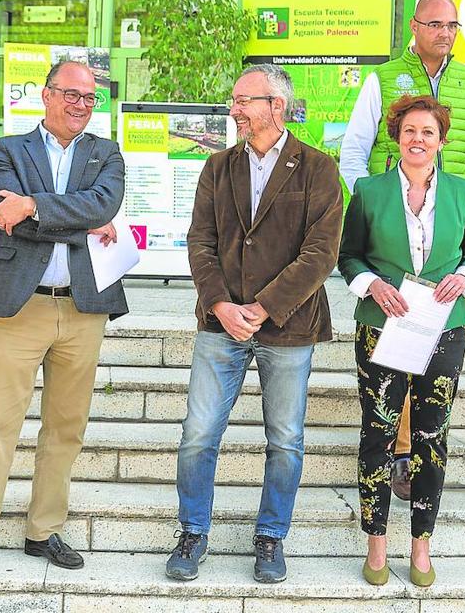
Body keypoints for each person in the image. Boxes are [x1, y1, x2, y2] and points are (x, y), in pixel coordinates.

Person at [0, 60, 127, 572]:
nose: (81, 104)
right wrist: (81, 222)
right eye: (71, 94)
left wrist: (37, 208)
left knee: (66, 427)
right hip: (21, 303)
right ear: (45, 95)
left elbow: (102, 204)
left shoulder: (106, 153)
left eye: (90, 98)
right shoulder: (7, 149)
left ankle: (45, 532)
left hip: (84, 307)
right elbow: (9, 219)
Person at [166, 64, 343, 585]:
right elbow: (200, 243)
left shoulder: (317, 168)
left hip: (286, 328)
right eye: (235, 100)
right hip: (220, 325)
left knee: (285, 440)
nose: (235, 110)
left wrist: (262, 308)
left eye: (245, 101)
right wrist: (221, 305)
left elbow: (320, 253)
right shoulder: (217, 167)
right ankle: (193, 532)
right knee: (198, 434)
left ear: (277, 107)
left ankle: (271, 538)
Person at [338, 0, 465, 500]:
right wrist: (375, 206)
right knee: (395, 342)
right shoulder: (382, 79)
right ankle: (401, 453)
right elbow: (354, 153)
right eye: (435, 23)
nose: (445, 32)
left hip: (455, 238)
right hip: (396, 241)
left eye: (453, 24)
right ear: (414, 26)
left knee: (443, 342)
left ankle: (426, 440)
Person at [338, 94, 465, 589]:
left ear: (442, 141)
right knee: (378, 434)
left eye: (427, 132)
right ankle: (376, 541)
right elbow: (349, 255)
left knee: (431, 436)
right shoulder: (369, 190)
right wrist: (372, 285)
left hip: (441, 329)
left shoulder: (463, 193)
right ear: (396, 138)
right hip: (381, 324)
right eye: (409, 132)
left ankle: (421, 541)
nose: (418, 139)